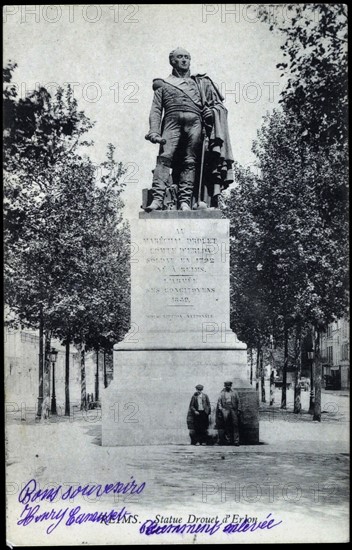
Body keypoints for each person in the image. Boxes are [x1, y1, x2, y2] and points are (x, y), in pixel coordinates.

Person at [145, 47, 234, 211]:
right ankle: (157, 199)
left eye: (187, 57)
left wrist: (210, 113)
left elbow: (217, 106)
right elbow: (156, 110)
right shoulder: (162, 84)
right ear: (172, 61)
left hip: (195, 123)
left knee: (190, 161)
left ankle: (185, 201)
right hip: (171, 121)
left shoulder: (200, 83)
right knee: (164, 157)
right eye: (180, 57)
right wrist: (154, 131)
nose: (184, 60)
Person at [216, 381, 242, 446]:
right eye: (227, 386)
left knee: (235, 424)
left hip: (233, 409)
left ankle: (236, 441)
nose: (228, 387)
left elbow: (238, 401)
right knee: (226, 424)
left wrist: (239, 409)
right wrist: (221, 409)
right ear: (225, 386)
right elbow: (219, 402)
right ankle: (228, 440)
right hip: (225, 409)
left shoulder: (234, 392)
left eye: (229, 386)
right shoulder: (222, 393)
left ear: (231, 386)